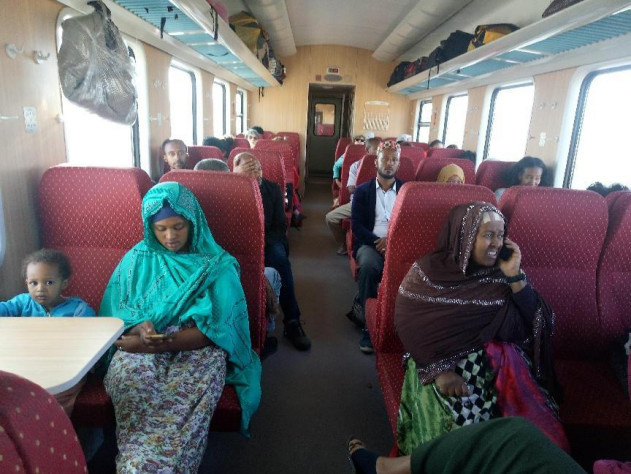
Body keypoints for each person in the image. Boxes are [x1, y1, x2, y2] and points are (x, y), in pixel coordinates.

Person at [101, 182, 261, 472]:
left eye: (178, 227)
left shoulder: (217, 266)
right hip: (141, 347)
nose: (170, 237)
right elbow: (117, 312)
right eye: (161, 229)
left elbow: (220, 331)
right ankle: (135, 463)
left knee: (181, 416)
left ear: (193, 222)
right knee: (134, 392)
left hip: (196, 347)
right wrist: (139, 328)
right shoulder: (138, 259)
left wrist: (160, 343)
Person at [394, 202, 568, 455]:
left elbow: (541, 323)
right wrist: (439, 371)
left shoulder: (505, 274)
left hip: (505, 369)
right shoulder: (427, 273)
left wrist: (515, 276)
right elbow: (407, 325)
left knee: (532, 440)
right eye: (488, 235)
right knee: (462, 440)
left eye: (501, 235)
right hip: (439, 364)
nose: (497, 243)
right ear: (464, 238)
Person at [0, 249, 96, 415]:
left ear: (64, 284)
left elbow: (90, 340)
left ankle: (58, 434)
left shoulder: (78, 310)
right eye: (34, 283)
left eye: (49, 283)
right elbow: (4, 309)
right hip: (27, 366)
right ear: (26, 283)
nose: (40, 289)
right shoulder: (23, 303)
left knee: (54, 403)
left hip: (64, 370)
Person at [233, 152, 311, 350]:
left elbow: (279, 225)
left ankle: (292, 321)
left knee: (279, 258)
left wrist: (260, 243)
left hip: (267, 240)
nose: (255, 172)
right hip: (235, 243)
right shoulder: (228, 190)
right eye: (249, 169)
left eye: (257, 168)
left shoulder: (272, 189)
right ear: (234, 171)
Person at [347, 417, 585, 474]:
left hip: (506, 368)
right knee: (516, 435)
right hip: (444, 363)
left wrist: (518, 288)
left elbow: (536, 326)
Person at [351, 141, 404, 353]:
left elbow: (410, 225)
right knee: (368, 267)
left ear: (398, 164)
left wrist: (391, 242)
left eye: (394, 160)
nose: (389, 163)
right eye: (385, 159)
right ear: (376, 161)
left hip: (399, 244)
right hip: (370, 242)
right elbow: (356, 226)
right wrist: (377, 241)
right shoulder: (363, 191)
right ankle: (368, 324)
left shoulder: (406, 191)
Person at [327, 137, 380, 256]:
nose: (379, 153)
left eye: (381, 150)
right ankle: (344, 243)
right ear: (367, 150)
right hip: (359, 203)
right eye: (376, 150)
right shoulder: (356, 166)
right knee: (330, 218)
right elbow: (351, 189)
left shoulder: (384, 166)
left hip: (381, 204)